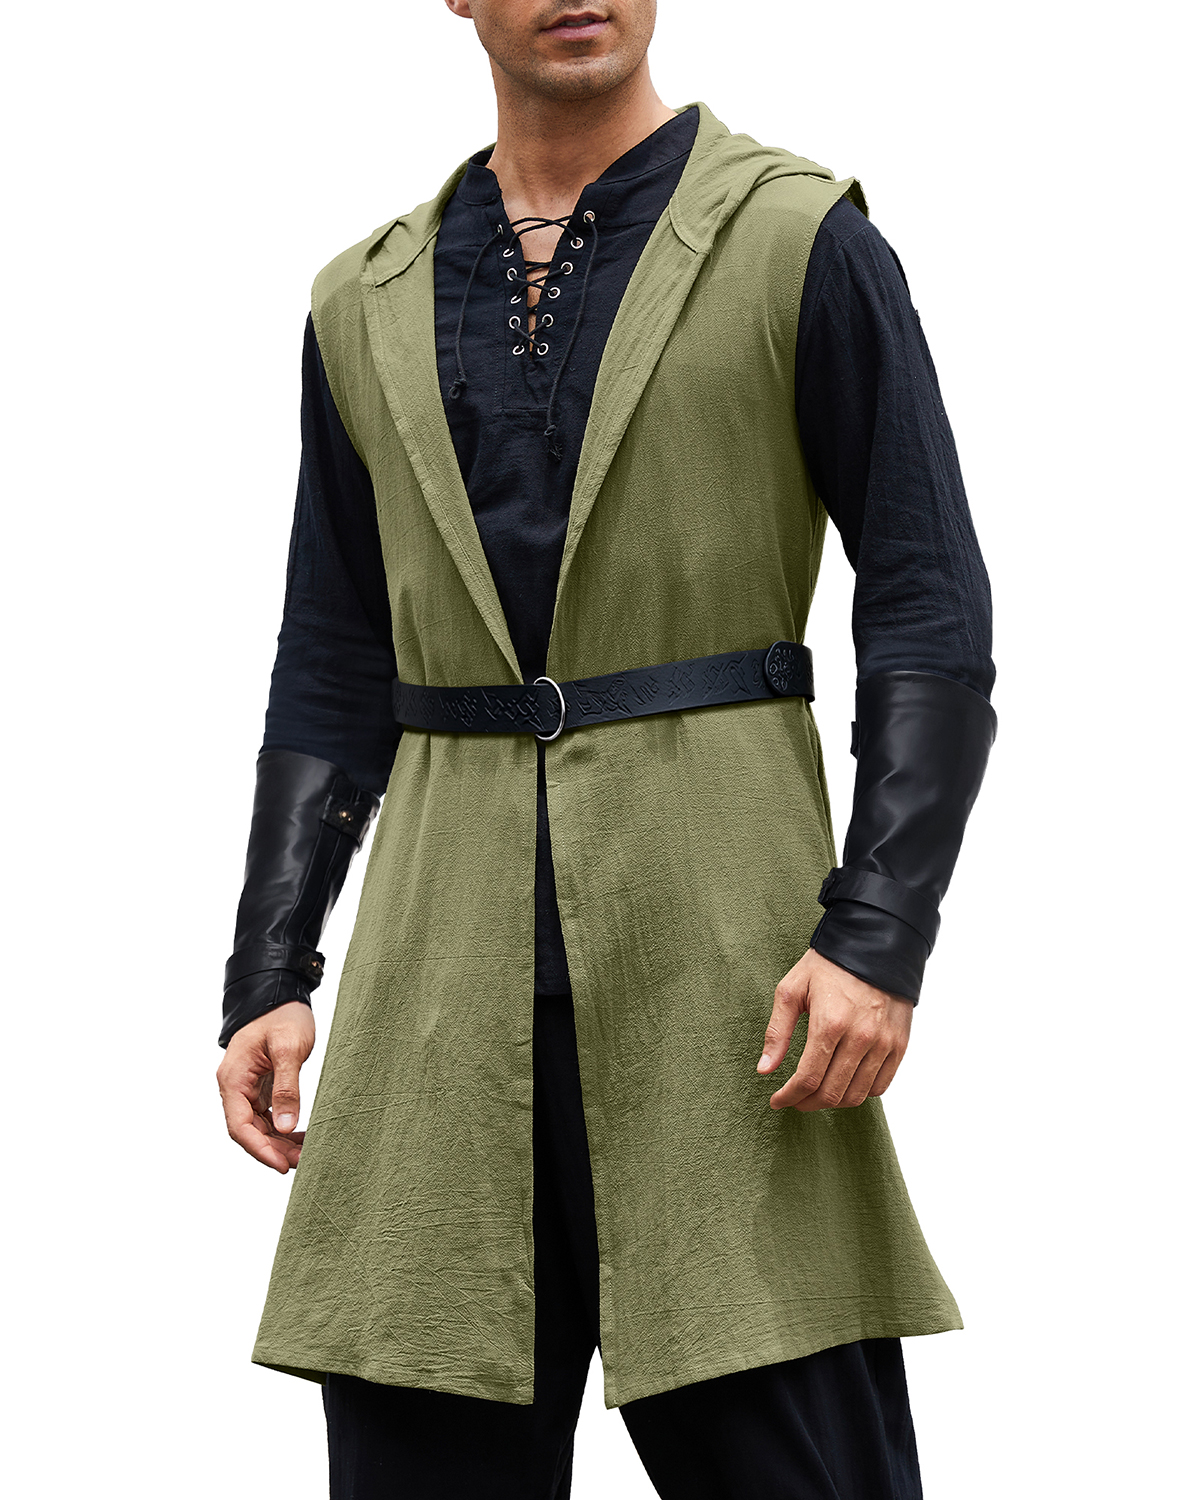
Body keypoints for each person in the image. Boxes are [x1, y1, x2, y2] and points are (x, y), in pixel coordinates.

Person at [216, 2, 996, 1495]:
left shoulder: (798, 240)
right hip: (435, 993)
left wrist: (880, 932)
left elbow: (927, 601)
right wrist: (270, 969)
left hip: (735, 984)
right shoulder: (363, 299)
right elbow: (334, 654)